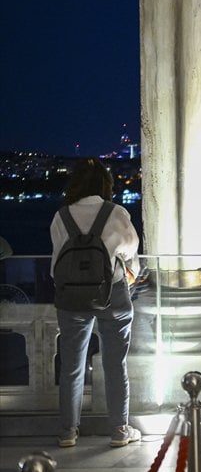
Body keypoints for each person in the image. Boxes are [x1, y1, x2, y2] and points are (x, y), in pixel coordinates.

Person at [50, 159, 142, 448]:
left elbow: (56, 263)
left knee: (72, 366)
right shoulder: (115, 213)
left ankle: (68, 430)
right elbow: (130, 253)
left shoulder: (61, 216)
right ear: (105, 185)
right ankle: (119, 429)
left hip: (71, 296)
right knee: (115, 364)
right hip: (111, 291)